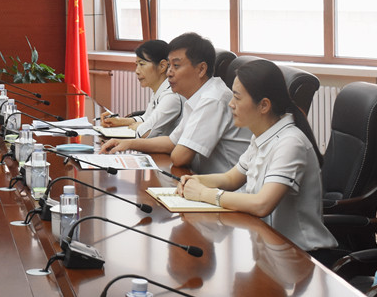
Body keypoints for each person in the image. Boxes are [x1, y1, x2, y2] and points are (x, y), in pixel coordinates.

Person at [176, 59, 336, 252]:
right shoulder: (262, 135)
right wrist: (195, 181)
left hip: (303, 254)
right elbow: (231, 178)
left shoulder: (290, 142)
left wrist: (204, 194)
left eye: (237, 98)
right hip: (269, 245)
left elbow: (262, 204)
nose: (231, 104)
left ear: (264, 105)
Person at [102, 32, 250, 174]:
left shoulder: (212, 99)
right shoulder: (195, 98)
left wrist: (176, 147)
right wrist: (127, 143)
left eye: (176, 66)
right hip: (202, 179)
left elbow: (180, 157)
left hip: (225, 187)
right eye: (169, 66)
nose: (169, 73)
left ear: (201, 69)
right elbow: (172, 142)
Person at [99, 39, 183, 138]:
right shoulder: (159, 91)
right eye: (137, 65)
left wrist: (141, 126)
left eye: (142, 64)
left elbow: (146, 132)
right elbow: (146, 118)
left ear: (162, 66)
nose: (137, 71)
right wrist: (120, 121)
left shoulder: (171, 96)